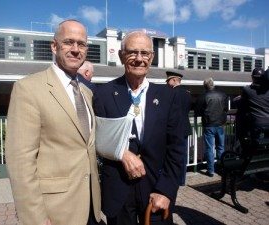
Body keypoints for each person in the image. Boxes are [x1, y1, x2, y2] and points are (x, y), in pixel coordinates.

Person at [5, 19, 101, 225]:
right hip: (56, 212)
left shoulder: (86, 92)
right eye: (68, 42)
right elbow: (20, 162)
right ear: (54, 46)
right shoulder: (28, 89)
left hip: (91, 209)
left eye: (81, 44)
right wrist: (36, 219)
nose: (76, 49)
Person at [93, 30, 185, 225]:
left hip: (156, 191)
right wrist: (122, 153)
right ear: (121, 55)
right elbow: (98, 139)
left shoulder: (169, 97)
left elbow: (176, 148)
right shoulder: (103, 94)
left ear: (152, 57)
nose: (139, 59)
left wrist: (166, 191)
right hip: (118, 190)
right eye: (132, 52)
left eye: (145, 53)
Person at [194, 77, 228, 177]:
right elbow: (226, 109)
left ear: (205, 86)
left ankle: (211, 171)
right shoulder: (223, 94)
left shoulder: (203, 96)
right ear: (213, 84)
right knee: (221, 148)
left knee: (209, 148)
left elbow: (197, 112)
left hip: (209, 125)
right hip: (220, 124)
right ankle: (222, 169)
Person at [166, 71, 192, 186]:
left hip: (173, 129)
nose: (167, 83)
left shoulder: (171, 93)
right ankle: (182, 180)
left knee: (172, 156)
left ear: (175, 80)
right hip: (185, 128)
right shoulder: (187, 93)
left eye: (168, 80)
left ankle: (173, 179)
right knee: (183, 156)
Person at [236, 68, 269, 154]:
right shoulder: (267, 90)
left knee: (252, 146)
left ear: (252, 77)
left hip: (256, 125)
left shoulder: (247, 90)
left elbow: (242, 104)